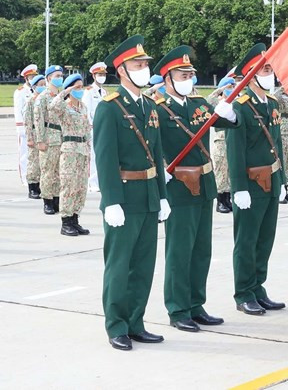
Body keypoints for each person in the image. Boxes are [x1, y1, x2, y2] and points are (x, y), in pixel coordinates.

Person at [154, 46, 237, 333]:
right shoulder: (158, 107)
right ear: (167, 78)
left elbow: (227, 122)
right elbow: (150, 145)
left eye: (190, 73)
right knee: (179, 250)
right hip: (178, 186)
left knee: (201, 250)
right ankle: (178, 309)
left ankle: (195, 304)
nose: (188, 77)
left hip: (204, 185)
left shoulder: (198, 103)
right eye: (182, 73)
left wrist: (231, 113)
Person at [94, 35, 169, 351]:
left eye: (145, 64)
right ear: (122, 70)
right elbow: (105, 157)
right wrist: (111, 201)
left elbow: (158, 153)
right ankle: (116, 325)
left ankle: (136, 322)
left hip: (149, 196)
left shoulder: (150, 106)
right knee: (119, 265)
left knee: (143, 265)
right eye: (137, 65)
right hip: (123, 199)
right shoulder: (109, 108)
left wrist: (162, 195)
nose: (143, 69)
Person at [227, 44, 287, 316]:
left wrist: (283, 180)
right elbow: (234, 151)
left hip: (271, 181)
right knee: (247, 241)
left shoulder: (272, 103)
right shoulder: (240, 107)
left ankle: (258, 287)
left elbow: (278, 145)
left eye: (270, 69)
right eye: (265, 69)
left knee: (265, 239)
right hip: (250, 184)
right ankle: (243, 292)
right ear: (250, 74)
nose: (269, 74)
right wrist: (238, 188)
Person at [50, 74, 91, 237]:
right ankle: (66, 221)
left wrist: (88, 147)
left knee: (80, 186)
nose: (80, 91)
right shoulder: (64, 106)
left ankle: (75, 218)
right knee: (69, 185)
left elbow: (87, 129)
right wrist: (64, 92)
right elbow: (52, 107)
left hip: (82, 149)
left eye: (81, 87)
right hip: (69, 150)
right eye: (77, 88)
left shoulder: (82, 107)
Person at [33, 65, 64, 216]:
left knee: (59, 172)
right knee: (47, 171)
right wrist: (40, 140)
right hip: (48, 137)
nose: (60, 78)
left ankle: (57, 198)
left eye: (61, 75)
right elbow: (38, 120)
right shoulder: (43, 97)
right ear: (49, 78)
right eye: (57, 76)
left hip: (62, 137)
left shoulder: (62, 97)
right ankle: (47, 201)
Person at [207, 74, 235, 214]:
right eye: (229, 87)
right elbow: (208, 100)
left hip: (233, 140)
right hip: (221, 139)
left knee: (230, 171)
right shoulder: (217, 102)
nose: (232, 89)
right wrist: (221, 89)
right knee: (221, 171)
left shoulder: (235, 102)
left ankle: (227, 199)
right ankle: (220, 202)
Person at [81, 62, 108, 193]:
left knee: (102, 155)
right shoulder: (88, 92)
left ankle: (100, 181)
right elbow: (86, 111)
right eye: (99, 74)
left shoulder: (104, 92)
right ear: (93, 75)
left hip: (103, 128)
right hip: (92, 128)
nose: (102, 76)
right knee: (92, 156)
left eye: (103, 74)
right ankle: (92, 182)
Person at [13, 64, 39, 187]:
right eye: (31, 76)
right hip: (25, 127)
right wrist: (21, 128)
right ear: (26, 78)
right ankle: (24, 177)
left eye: (35, 75)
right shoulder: (21, 92)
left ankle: (35, 177)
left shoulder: (38, 90)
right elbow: (18, 111)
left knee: (35, 155)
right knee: (24, 154)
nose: (33, 78)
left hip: (37, 127)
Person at [24, 75, 45, 200]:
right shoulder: (31, 101)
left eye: (44, 84)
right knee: (33, 162)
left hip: (43, 135)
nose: (43, 87)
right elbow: (27, 120)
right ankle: (32, 187)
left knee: (42, 162)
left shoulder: (44, 100)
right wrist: (29, 138)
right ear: (34, 86)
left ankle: (41, 186)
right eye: (40, 85)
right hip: (33, 133)